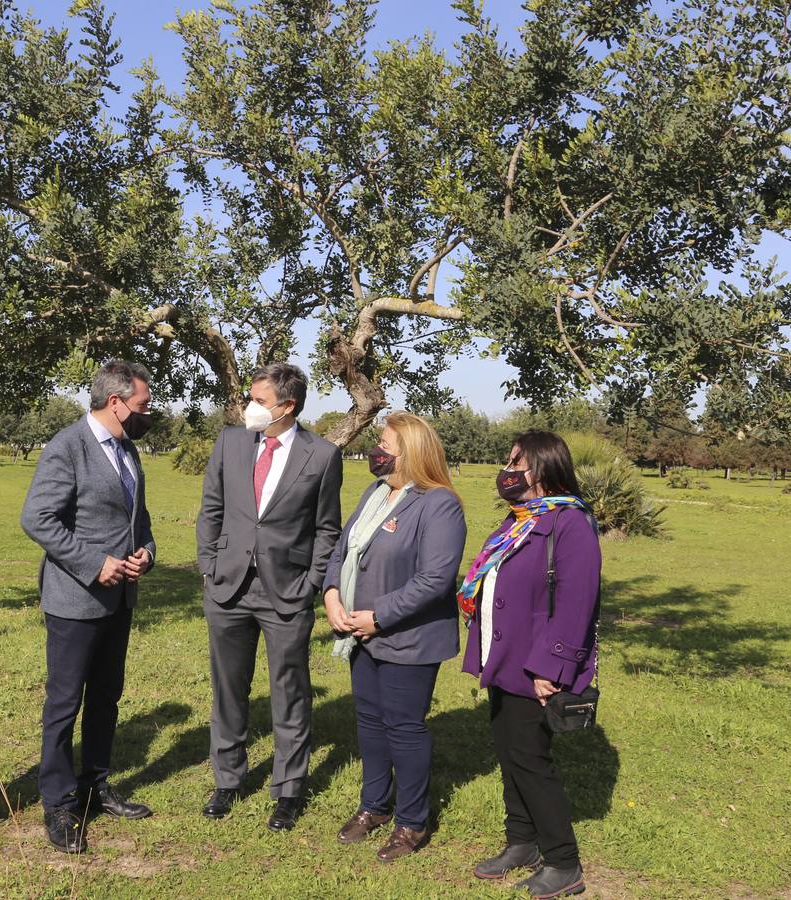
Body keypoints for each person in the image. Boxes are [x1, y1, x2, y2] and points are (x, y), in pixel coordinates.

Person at [196, 362, 343, 831]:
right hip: (229, 589)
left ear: (287, 406)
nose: (249, 408)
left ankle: (289, 789)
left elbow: (326, 529)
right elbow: (211, 510)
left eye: (259, 402)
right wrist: (209, 567)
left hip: (287, 592)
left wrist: (311, 584)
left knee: (290, 692)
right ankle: (228, 779)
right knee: (228, 689)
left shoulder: (321, 455)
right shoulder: (231, 442)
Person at [20, 360, 158, 854]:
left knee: (106, 696)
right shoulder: (66, 448)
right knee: (64, 704)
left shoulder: (129, 449)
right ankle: (58, 802)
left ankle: (95, 784)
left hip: (120, 599)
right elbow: (36, 518)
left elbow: (137, 519)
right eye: (142, 405)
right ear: (115, 402)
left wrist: (146, 551)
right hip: (75, 601)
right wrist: (93, 563)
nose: (148, 413)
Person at [459, 430, 601, 899]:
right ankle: (521, 841)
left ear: (541, 469)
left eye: (515, 461)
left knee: (531, 761)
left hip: (536, 667)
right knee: (510, 753)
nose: (507, 470)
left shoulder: (570, 524)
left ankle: (563, 862)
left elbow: (577, 603)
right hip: (504, 659)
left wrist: (552, 669)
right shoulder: (519, 521)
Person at [322, 413, 467, 862]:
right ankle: (374, 806)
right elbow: (342, 550)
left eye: (385, 442)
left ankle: (411, 821)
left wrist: (378, 616)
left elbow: (434, 580)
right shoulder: (377, 492)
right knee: (369, 722)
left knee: (403, 728)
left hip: (407, 637)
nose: (376, 449)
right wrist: (331, 595)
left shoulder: (439, 503)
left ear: (412, 451)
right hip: (359, 634)